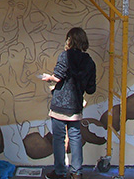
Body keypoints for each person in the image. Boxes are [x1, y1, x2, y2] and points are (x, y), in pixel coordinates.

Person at [41, 27, 96, 179]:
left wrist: (48, 78)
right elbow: (91, 89)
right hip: (76, 106)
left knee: (58, 139)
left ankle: (59, 172)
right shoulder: (89, 61)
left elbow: (58, 77)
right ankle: (77, 172)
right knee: (76, 137)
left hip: (59, 105)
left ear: (69, 40)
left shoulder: (65, 56)